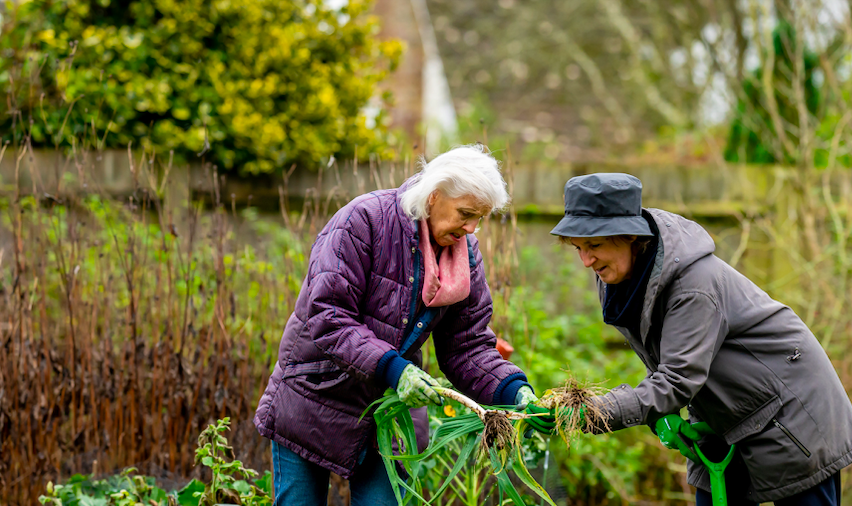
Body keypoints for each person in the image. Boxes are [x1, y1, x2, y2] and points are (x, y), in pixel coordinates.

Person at [528, 172, 852, 506]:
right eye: (579, 248)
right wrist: (658, 415)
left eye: (594, 245)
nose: (586, 260)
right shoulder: (619, 279)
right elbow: (668, 365)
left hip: (793, 416)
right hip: (726, 419)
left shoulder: (693, 285)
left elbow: (677, 379)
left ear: (630, 237)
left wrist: (595, 411)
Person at [254, 145, 538, 506]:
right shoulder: (364, 221)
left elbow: (467, 347)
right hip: (314, 394)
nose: (471, 228)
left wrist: (514, 391)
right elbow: (328, 315)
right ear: (434, 196)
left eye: (479, 218)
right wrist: (395, 368)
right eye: (465, 214)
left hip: (387, 413)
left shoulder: (463, 253)